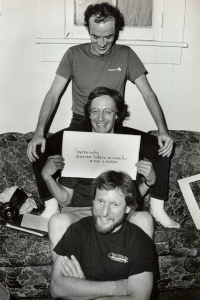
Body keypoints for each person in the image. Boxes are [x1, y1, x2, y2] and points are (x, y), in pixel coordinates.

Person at [27, 2, 178, 228]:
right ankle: (50, 209)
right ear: (88, 30)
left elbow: (148, 94)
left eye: (108, 37)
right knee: (38, 150)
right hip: (81, 124)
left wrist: (163, 131)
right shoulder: (73, 54)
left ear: (115, 31)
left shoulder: (126, 54)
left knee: (161, 149)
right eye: (96, 37)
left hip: (112, 124)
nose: (102, 43)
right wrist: (39, 132)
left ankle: (157, 209)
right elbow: (53, 94)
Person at [42, 87, 180, 261]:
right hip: (81, 213)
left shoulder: (128, 146)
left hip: (120, 214)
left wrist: (149, 181)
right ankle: (65, 283)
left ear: (117, 115)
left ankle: (136, 282)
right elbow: (65, 199)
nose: (100, 118)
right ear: (89, 115)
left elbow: (130, 197)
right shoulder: (77, 144)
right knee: (57, 221)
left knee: (145, 218)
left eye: (107, 111)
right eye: (95, 111)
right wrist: (48, 177)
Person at [51, 170, 157, 300]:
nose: (104, 212)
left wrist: (83, 290)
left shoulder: (140, 241)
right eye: (100, 201)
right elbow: (57, 288)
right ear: (93, 200)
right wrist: (118, 287)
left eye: (114, 204)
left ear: (128, 208)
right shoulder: (78, 230)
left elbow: (139, 298)